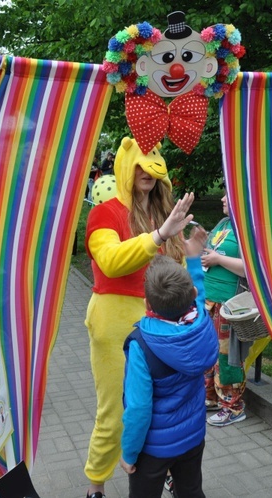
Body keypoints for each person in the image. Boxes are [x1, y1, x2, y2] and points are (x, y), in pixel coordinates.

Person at [84, 137, 195, 498]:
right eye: (139, 163)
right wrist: (159, 235)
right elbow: (111, 261)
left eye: (153, 163)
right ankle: (95, 486)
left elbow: (173, 269)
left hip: (161, 324)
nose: (147, 170)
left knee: (159, 405)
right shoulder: (106, 212)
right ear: (124, 165)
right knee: (117, 410)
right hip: (116, 320)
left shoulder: (162, 212)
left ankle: (157, 470)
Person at [119, 250, 218, 498]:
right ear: (193, 297)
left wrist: (129, 453)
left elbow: (138, 408)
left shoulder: (141, 345)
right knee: (191, 490)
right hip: (193, 436)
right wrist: (194, 261)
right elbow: (199, 295)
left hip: (154, 449)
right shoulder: (201, 324)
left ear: (146, 303)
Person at [200, 193, 248, 426]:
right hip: (210, 301)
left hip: (229, 305)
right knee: (208, 352)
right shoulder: (225, 223)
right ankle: (211, 398)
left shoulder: (248, 228)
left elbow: (253, 269)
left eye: (228, 195)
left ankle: (234, 407)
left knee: (227, 357)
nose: (221, 198)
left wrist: (218, 260)